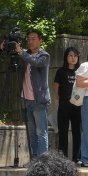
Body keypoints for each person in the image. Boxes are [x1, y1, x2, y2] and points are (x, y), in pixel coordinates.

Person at [16, 29, 51, 161]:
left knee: (41, 132)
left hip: (39, 100)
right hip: (27, 99)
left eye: (33, 39)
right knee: (31, 133)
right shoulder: (25, 54)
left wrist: (21, 52)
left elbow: (36, 63)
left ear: (40, 41)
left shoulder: (44, 55)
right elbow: (16, 54)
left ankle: (43, 162)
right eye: (28, 39)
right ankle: (34, 159)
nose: (30, 41)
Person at [54, 46, 84, 168]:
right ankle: (63, 158)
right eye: (70, 55)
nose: (73, 58)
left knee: (77, 132)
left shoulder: (81, 72)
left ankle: (77, 158)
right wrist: (60, 99)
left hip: (78, 105)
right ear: (66, 57)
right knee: (63, 132)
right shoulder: (61, 71)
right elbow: (56, 87)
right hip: (64, 104)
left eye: (75, 55)